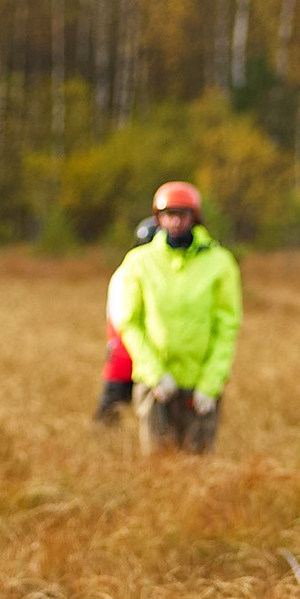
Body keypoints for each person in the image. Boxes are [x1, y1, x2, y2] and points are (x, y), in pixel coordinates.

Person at [107, 181, 242, 454]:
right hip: (156, 386)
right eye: (169, 214)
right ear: (158, 218)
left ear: (195, 217)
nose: (176, 221)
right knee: (158, 467)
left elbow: (226, 327)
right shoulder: (138, 262)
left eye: (182, 214)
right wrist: (155, 375)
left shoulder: (220, 263)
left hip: (200, 387)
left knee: (198, 469)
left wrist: (210, 384)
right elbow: (129, 322)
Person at [92, 213, 160, 425]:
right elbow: (123, 318)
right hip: (129, 351)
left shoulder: (126, 271)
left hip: (128, 351)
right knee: (113, 409)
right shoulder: (129, 273)